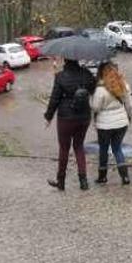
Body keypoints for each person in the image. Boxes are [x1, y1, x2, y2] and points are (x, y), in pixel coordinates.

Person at [44, 58, 97, 191]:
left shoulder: (61, 76)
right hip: (84, 116)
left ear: (66, 61)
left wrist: (48, 117)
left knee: (64, 148)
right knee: (79, 147)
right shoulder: (86, 73)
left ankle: (61, 181)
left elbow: (54, 98)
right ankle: (83, 181)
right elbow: (93, 89)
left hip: (65, 117)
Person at [90, 62, 132, 185]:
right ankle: (125, 177)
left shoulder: (99, 89)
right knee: (117, 148)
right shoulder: (123, 85)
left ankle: (102, 176)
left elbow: (95, 108)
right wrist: (128, 117)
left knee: (103, 149)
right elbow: (129, 104)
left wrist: (91, 99)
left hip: (104, 125)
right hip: (121, 123)